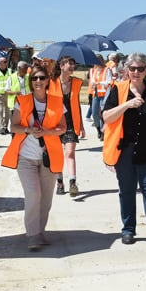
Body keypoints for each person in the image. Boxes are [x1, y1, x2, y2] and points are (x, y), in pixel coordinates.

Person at [102, 52, 146, 250]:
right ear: (126, 71)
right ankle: (128, 229)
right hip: (125, 151)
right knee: (127, 191)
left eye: (140, 69)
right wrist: (127, 104)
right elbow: (107, 117)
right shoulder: (118, 89)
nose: (136, 72)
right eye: (132, 69)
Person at [1, 65, 66, 251]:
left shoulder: (56, 102)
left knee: (46, 199)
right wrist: (28, 130)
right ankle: (32, 235)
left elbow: (63, 127)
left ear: (47, 81)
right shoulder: (22, 101)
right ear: (31, 82)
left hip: (48, 156)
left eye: (42, 78)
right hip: (26, 157)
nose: (38, 81)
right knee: (33, 195)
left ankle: (40, 231)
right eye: (35, 78)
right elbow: (13, 126)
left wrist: (48, 132)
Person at [48, 56, 85, 196]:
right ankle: (59, 182)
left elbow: (77, 105)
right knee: (57, 154)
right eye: (69, 63)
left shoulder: (76, 83)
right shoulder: (52, 83)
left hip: (71, 123)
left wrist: (81, 125)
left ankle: (72, 182)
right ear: (62, 66)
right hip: (56, 123)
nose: (72, 66)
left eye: (73, 63)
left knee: (70, 153)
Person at [91, 55, 113, 140]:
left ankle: (103, 131)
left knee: (102, 114)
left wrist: (99, 83)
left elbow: (109, 81)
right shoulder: (94, 70)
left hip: (104, 94)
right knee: (95, 114)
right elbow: (92, 80)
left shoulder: (107, 70)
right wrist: (93, 84)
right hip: (96, 94)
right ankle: (98, 129)